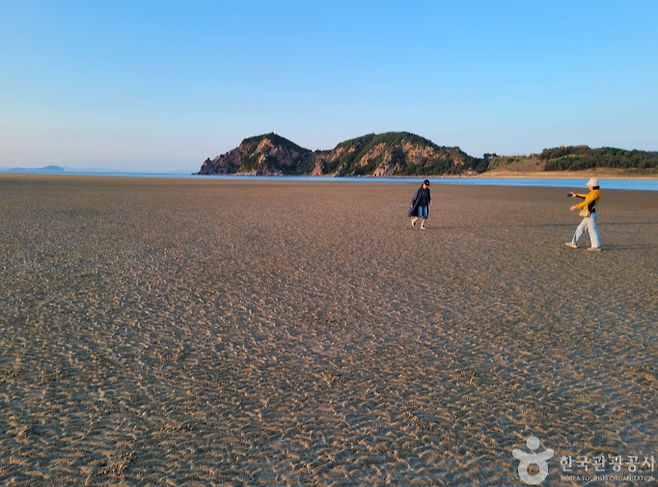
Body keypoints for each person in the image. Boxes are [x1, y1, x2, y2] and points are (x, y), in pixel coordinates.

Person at [565, 178, 601, 251]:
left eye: (589, 185)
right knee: (580, 228)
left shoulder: (594, 194)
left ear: (592, 186)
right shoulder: (593, 193)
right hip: (589, 214)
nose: (588, 186)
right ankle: (574, 242)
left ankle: (596, 246)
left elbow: (586, 202)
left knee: (592, 230)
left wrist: (576, 206)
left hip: (591, 214)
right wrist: (576, 195)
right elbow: (586, 196)